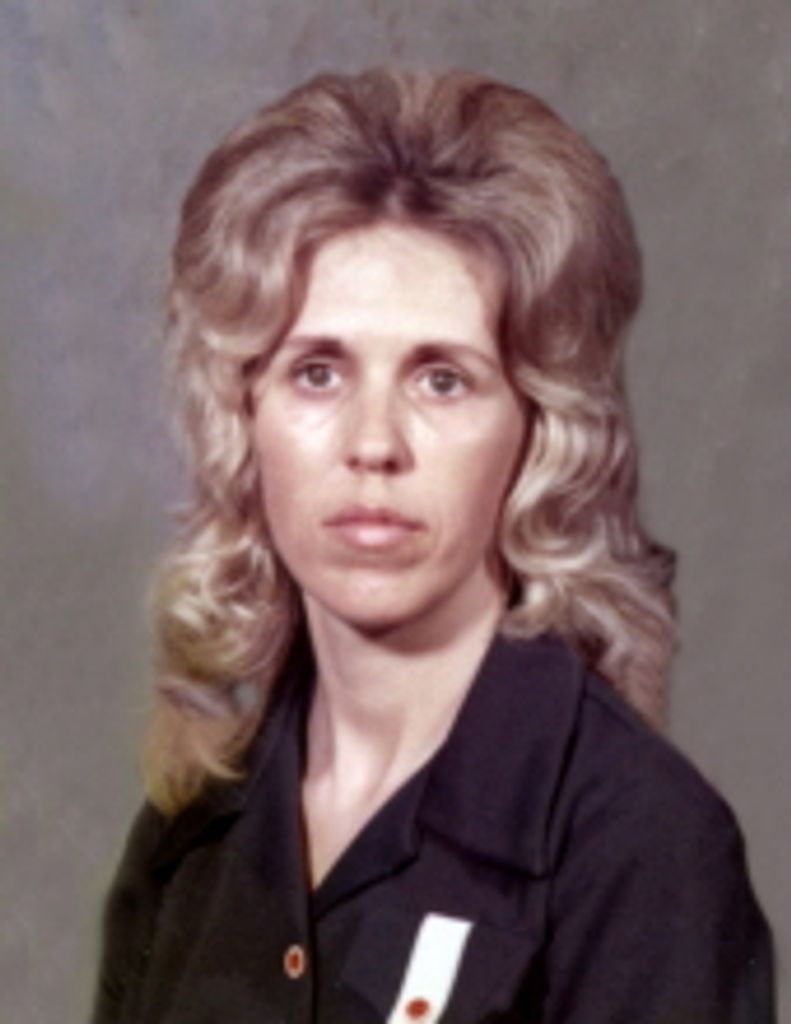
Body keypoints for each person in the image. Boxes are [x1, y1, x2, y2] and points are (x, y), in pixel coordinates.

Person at [91, 68, 774, 1023]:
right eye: (317, 372)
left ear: (537, 431)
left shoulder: (639, 845)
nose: (374, 444)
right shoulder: (191, 831)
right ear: (242, 414)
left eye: (441, 379)